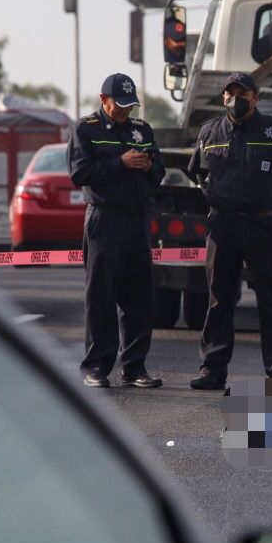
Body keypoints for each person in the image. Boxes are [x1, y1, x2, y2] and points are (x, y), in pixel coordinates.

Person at [186, 72, 272, 390]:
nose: (236, 98)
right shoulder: (209, 131)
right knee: (219, 300)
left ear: (256, 97)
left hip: (261, 225)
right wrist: (211, 197)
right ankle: (212, 370)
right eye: (230, 93)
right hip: (222, 226)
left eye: (242, 93)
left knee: (271, 297)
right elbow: (195, 171)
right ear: (223, 97)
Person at [68, 73, 165, 388]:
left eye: (130, 105)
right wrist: (120, 163)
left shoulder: (142, 130)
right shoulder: (86, 129)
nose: (125, 111)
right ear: (103, 99)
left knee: (140, 296)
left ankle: (135, 367)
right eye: (120, 105)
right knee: (101, 294)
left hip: (137, 219)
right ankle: (96, 366)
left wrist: (149, 167)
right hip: (104, 218)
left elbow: (160, 172)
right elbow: (79, 173)